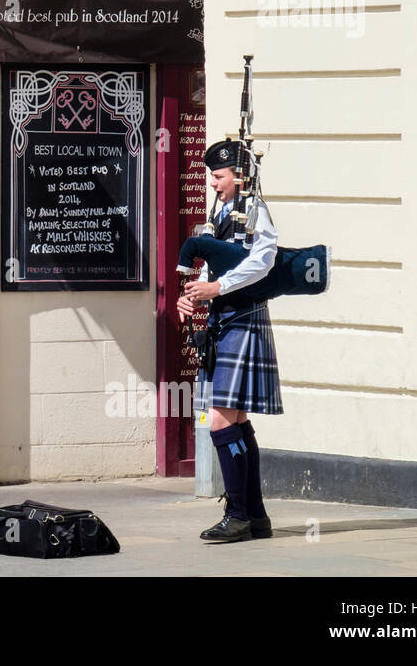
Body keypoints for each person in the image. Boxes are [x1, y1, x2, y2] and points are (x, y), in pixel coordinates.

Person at [177, 138, 282, 543]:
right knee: (235, 420)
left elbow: (263, 260)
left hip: (244, 318)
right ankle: (254, 516)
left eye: (219, 177)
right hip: (226, 319)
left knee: (220, 419)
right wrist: (194, 295)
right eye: (211, 177)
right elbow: (217, 261)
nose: (213, 184)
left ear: (240, 175)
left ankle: (238, 514)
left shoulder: (256, 210)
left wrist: (217, 288)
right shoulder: (221, 210)